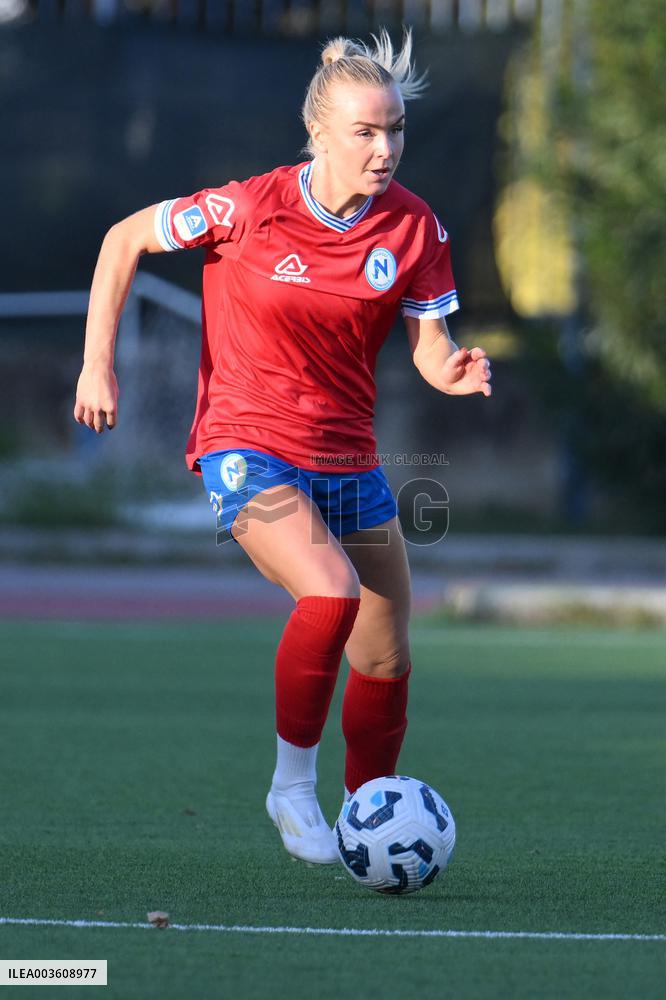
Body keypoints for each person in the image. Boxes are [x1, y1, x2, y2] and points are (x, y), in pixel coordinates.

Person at [73, 29, 491, 866]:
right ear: (322, 132)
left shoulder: (415, 228)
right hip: (245, 442)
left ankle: (369, 812)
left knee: (386, 645)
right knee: (330, 594)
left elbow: (429, 343)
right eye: (367, 132)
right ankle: (291, 787)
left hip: (347, 457)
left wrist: (451, 369)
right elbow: (123, 238)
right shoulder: (248, 207)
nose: (386, 149)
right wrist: (96, 364)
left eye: (396, 131)